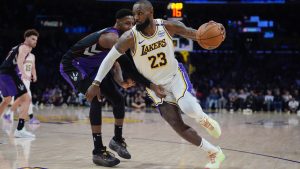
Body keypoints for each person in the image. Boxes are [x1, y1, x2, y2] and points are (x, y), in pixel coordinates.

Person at [86, 1, 226, 168]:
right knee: (177, 125)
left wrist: (210, 35)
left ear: (150, 12)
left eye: (140, 13)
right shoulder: (129, 37)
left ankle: (204, 119)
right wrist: (96, 82)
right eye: (134, 14)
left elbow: (196, 34)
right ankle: (215, 153)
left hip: (174, 77)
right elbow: (109, 59)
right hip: (154, 87)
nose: (136, 18)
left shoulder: (168, 26)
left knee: (189, 108)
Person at [60, 8, 163, 167]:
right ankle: (98, 151)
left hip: (93, 68)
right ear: (118, 22)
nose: (130, 27)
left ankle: (117, 139)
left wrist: (121, 82)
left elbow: (114, 64)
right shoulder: (112, 37)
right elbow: (128, 67)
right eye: (127, 23)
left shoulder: (120, 38)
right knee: (95, 97)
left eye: (132, 23)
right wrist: (152, 85)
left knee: (118, 98)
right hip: (73, 66)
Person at [0, 29, 38, 138]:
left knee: (6, 100)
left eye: (36, 39)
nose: (35, 41)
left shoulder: (16, 47)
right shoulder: (25, 47)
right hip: (10, 74)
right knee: (27, 98)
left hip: (2, 73)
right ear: (26, 38)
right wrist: (24, 74)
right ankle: (20, 130)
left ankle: (17, 126)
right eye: (33, 39)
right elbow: (20, 61)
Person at [3, 53, 40, 124]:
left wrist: (34, 75)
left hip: (28, 81)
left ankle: (8, 114)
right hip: (21, 80)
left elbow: (33, 67)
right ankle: (31, 118)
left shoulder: (32, 56)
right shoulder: (20, 54)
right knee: (27, 98)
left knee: (26, 99)